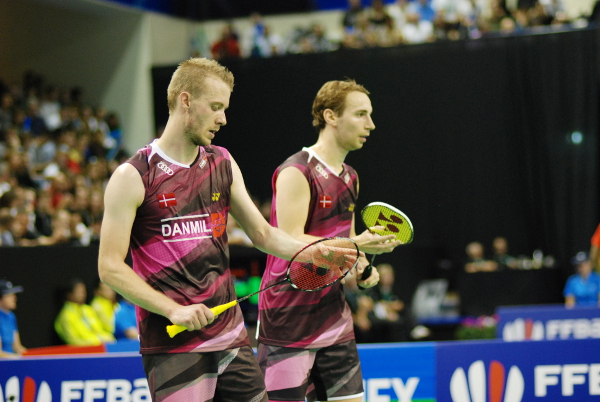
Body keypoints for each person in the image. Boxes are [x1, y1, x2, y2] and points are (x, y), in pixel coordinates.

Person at [97, 57, 342, 402]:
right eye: (215, 107)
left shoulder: (221, 162)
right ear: (185, 101)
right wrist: (172, 309)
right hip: (173, 344)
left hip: (230, 336)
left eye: (224, 108)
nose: (223, 119)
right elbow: (109, 266)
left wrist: (315, 251)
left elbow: (263, 234)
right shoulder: (135, 176)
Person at [257, 79, 402, 402]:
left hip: (333, 313)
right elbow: (291, 240)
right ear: (331, 116)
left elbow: (345, 239)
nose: (371, 124)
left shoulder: (350, 176)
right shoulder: (296, 170)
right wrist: (358, 246)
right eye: (361, 114)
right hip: (288, 317)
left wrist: (362, 267)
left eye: (370, 115)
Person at [54, 278, 116, 345]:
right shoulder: (65, 316)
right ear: (70, 295)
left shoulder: (87, 309)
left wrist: (108, 338)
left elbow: (99, 330)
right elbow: (74, 342)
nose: (83, 295)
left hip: (100, 345)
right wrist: (97, 342)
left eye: (83, 292)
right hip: (84, 351)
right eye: (78, 292)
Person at [0, 280, 27, 357]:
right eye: (9, 295)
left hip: (11, 362)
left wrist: (32, 356)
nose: (14, 298)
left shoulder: (11, 316)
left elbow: (17, 347)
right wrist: (16, 358)